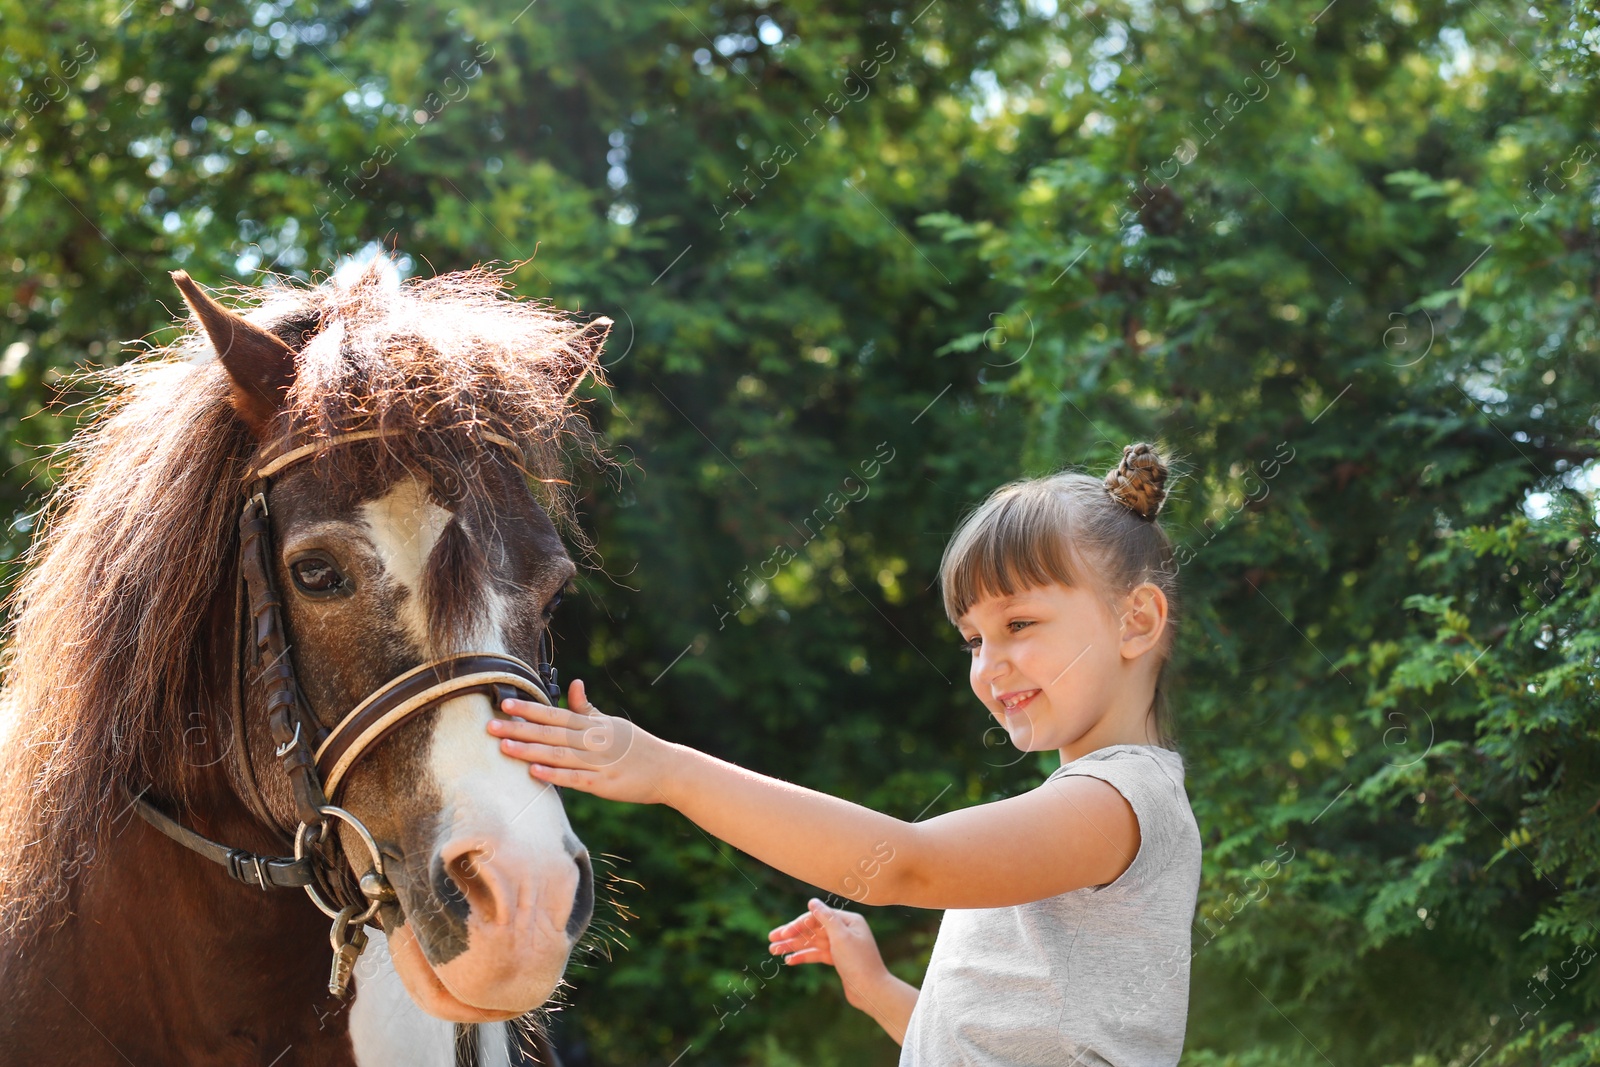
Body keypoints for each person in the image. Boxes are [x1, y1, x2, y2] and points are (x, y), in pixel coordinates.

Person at [488, 442, 1203, 1065]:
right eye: (975, 640)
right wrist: (882, 993)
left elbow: (909, 862)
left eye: (1019, 622)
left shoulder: (1120, 801)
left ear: (1135, 621)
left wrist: (670, 770)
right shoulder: (1088, 801)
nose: (990, 664)